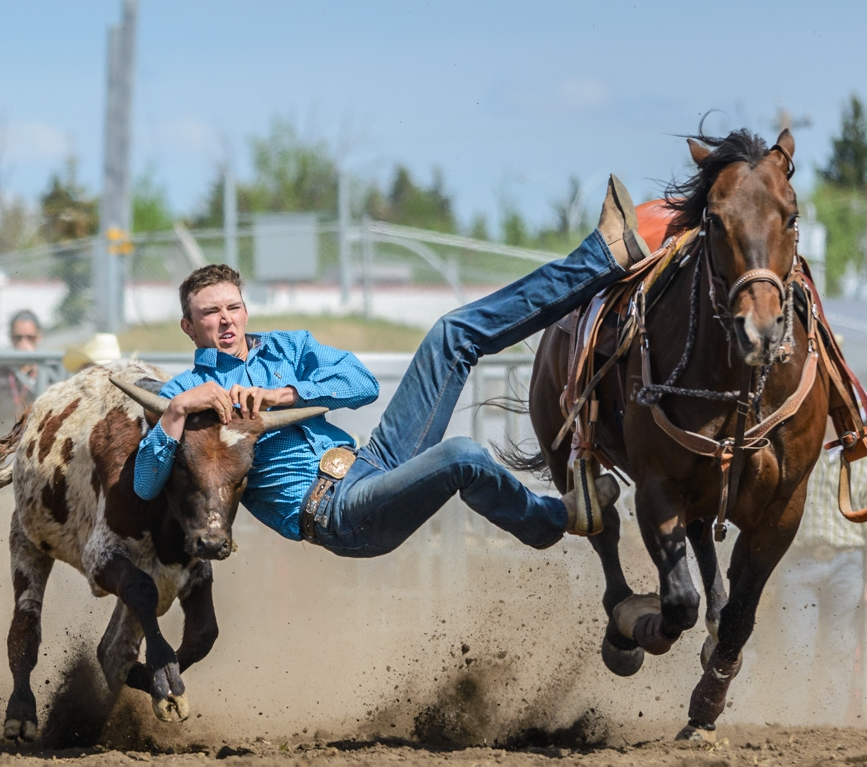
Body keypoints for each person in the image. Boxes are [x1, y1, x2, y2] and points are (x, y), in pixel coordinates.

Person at [133, 179, 649, 554]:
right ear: (189, 327)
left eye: (233, 308)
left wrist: (281, 395)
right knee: (461, 455)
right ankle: (550, 519)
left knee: (452, 333)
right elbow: (145, 485)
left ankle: (601, 259)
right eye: (209, 313)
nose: (225, 321)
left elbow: (359, 385)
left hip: (372, 461)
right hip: (336, 513)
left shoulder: (288, 347)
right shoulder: (187, 390)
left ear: (245, 309)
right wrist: (176, 413)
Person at [754, 444, 867, 725]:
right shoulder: (796, 448)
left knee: (838, 650)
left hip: (848, 562)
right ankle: (788, 725)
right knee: (794, 648)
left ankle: (827, 727)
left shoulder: (866, 460)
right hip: (798, 562)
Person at [0, 309, 64, 436]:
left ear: (38, 337)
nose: (23, 343)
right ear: (11, 338)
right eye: (18, 338)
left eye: (29, 338)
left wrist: (36, 369)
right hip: (6, 448)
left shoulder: (52, 374)